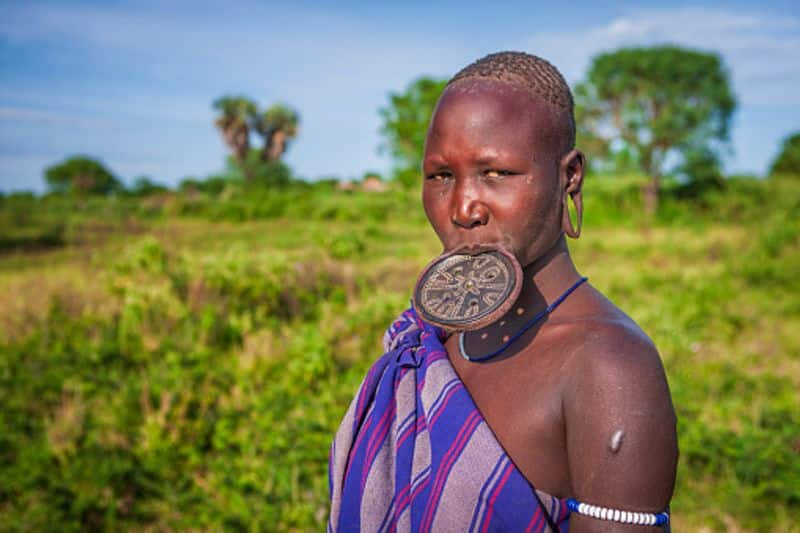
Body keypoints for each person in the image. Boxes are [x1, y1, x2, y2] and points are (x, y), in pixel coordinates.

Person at [329, 51, 678, 532]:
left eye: (496, 173)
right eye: (441, 176)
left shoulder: (609, 366)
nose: (463, 208)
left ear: (569, 176)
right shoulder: (429, 340)